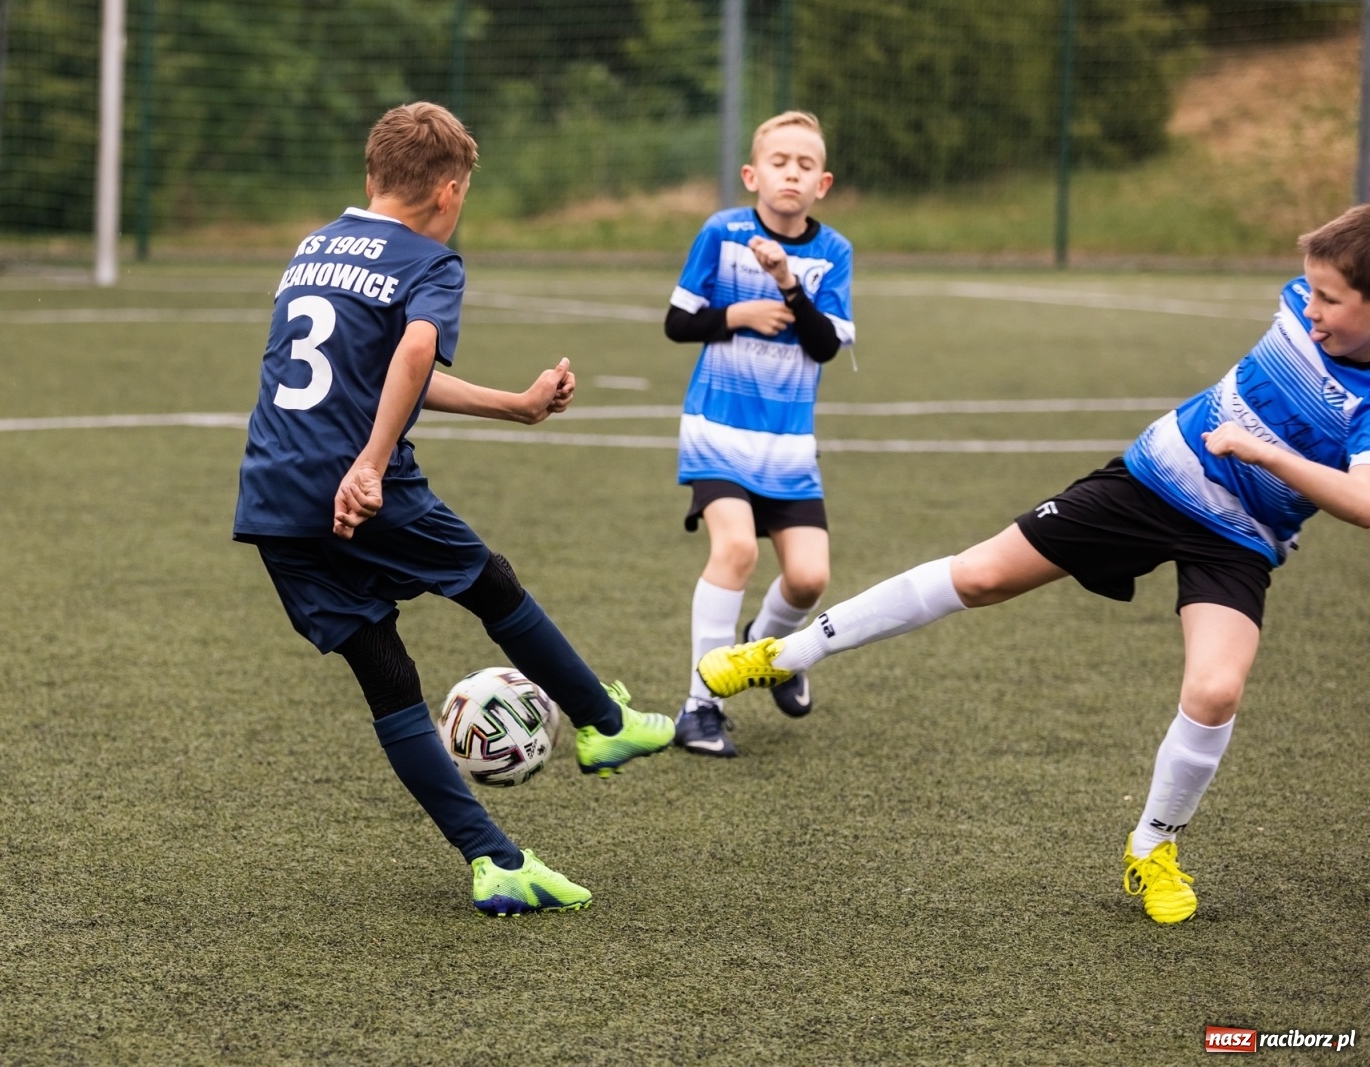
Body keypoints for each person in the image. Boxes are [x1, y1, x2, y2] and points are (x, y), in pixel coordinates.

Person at [699, 205, 1370, 924]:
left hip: (1238, 537)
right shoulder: (1300, 302)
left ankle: (1153, 847)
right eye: (1310, 289)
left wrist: (1264, 453)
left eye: (1330, 298)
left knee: (1216, 690)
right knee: (980, 575)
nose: (1310, 306)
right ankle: (782, 652)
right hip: (1150, 482)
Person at [233, 102, 674, 916]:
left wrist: (517, 405)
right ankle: (602, 722)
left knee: (387, 674)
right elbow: (413, 350)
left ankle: (496, 863)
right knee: (488, 581)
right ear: (449, 191)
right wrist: (370, 466)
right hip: (360, 481)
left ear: (371, 175)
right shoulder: (430, 261)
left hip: (273, 494)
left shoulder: (315, 245)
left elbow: (385, 371)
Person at [664, 111, 855, 757]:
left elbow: (825, 345)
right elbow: (678, 323)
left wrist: (787, 284)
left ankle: (769, 651)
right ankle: (701, 706)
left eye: (805, 165)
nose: (791, 174)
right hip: (717, 428)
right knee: (737, 549)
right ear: (752, 175)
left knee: (808, 579)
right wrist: (737, 314)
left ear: (822, 183)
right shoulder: (722, 232)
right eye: (779, 162)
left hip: (788, 444)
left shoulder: (834, 253)